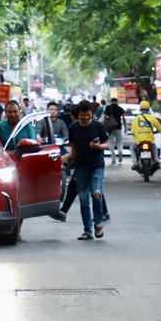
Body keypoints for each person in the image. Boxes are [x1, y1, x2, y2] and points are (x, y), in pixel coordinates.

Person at [63, 99, 109, 239]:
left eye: (88, 114)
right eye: (82, 115)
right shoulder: (73, 128)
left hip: (96, 166)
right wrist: (68, 158)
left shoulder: (98, 126)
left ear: (91, 113)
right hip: (80, 167)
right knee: (83, 199)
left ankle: (98, 223)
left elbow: (107, 144)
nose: (85, 117)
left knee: (96, 193)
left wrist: (98, 146)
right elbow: (74, 147)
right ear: (79, 114)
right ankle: (88, 230)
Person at [130, 100, 161, 166]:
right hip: (149, 141)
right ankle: (156, 160)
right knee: (154, 148)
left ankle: (135, 162)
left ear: (140, 109)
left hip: (139, 142)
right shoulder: (152, 118)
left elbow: (133, 131)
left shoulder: (136, 119)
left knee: (132, 148)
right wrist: (158, 131)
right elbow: (159, 128)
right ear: (148, 109)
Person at [102, 97, 126, 163]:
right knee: (119, 141)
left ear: (111, 101)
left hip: (110, 128)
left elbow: (104, 117)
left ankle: (113, 158)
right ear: (117, 102)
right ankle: (120, 151)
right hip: (118, 127)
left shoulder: (108, 108)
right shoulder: (120, 108)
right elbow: (123, 118)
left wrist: (104, 125)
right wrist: (125, 127)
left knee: (111, 142)